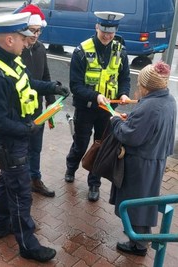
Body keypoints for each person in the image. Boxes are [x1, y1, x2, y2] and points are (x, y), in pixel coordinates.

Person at [0, 12, 69, 262]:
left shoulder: (11, 60)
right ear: (9, 40)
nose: (28, 42)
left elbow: (28, 83)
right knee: (20, 192)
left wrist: (52, 87)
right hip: (10, 142)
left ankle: (2, 224)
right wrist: (27, 129)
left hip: (19, 137)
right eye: (23, 38)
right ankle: (27, 244)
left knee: (6, 182)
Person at [109, 61, 176, 256]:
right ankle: (140, 238)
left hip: (140, 162)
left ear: (147, 87)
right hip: (156, 158)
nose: (138, 87)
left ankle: (138, 244)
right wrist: (129, 120)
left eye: (140, 84)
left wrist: (115, 122)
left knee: (135, 202)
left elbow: (131, 136)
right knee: (146, 201)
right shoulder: (168, 100)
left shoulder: (150, 106)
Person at [64, 11, 131, 202]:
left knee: (101, 146)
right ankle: (71, 168)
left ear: (116, 30)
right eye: (104, 31)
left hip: (107, 110)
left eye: (111, 32)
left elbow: (124, 78)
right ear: (96, 27)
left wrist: (123, 94)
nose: (107, 35)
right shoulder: (82, 51)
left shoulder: (120, 51)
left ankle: (94, 183)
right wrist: (96, 96)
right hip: (86, 108)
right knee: (81, 143)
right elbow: (75, 85)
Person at [20, 4, 56, 197]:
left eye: (38, 31)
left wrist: (50, 101)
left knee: (36, 147)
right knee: (22, 149)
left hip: (38, 108)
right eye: (32, 31)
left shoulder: (41, 48)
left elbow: (45, 74)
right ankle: (23, 182)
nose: (35, 35)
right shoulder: (18, 50)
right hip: (22, 109)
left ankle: (35, 179)